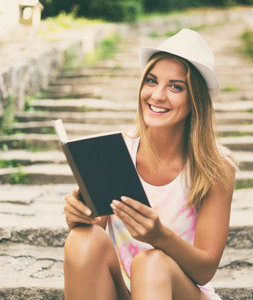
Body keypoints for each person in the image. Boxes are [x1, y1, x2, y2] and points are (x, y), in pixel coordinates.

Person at [63, 28, 236, 300]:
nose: (157, 95)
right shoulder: (116, 149)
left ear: (195, 100)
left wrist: (160, 237)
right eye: (152, 81)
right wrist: (80, 217)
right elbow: (96, 237)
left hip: (181, 291)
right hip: (124, 290)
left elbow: (205, 270)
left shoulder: (216, 167)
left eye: (175, 86)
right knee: (81, 240)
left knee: (150, 263)